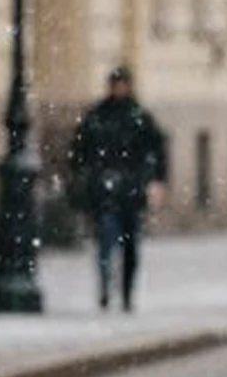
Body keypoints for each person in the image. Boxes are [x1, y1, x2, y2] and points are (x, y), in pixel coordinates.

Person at [67, 66, 167, 310]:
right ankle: (105, 287)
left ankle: (126, 292)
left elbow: (157, 151)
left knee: (130, 247)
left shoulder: (138, 116)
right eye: (115, 84)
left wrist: (155, 181)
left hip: (130, 192)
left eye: (121, 84)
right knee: (105, 241)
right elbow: (79, 151)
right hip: (105, 192)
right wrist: (85, 175)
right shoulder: (98, 116)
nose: (118, 88)